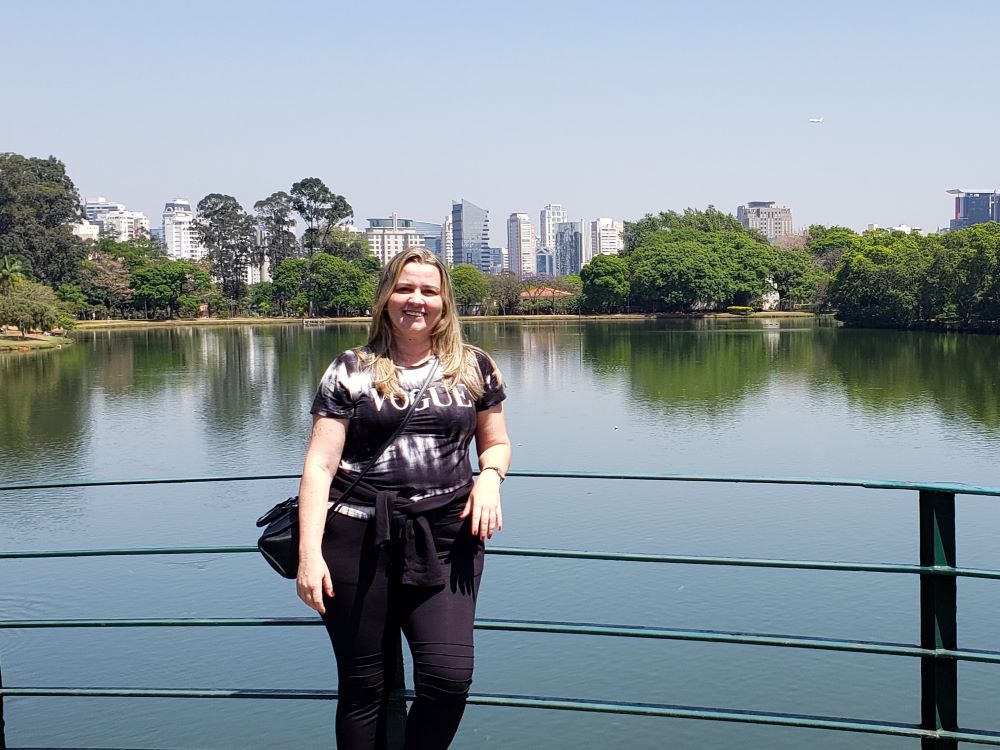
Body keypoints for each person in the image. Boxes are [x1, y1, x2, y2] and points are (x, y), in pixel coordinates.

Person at [296, 247, 511, 750]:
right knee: (364, 688)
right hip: (355, 539)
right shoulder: (351, 369)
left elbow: (496, 442)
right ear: (386, 298)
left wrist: (489, 478)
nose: (417, 300)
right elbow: (320, 464)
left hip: (446, 539)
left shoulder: (474, 366)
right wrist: (310, 554)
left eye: (429, 290)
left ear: (445, 301)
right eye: (405, 288)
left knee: (448, 678)